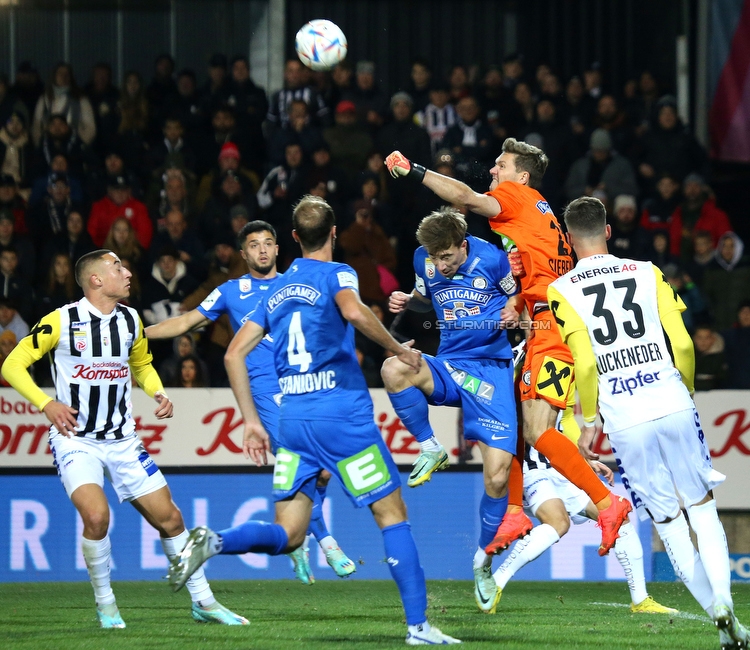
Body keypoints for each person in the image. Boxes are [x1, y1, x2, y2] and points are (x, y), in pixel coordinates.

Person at [167, 196, 459, 645]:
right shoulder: (338, 273)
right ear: (335, 233)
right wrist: (399, 349)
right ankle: (419, 627)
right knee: (392, 516)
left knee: (288, 533)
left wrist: (249, 421)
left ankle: (216, 542)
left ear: (294, 239)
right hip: (342, 415)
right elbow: (353, 310)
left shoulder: (276, 291)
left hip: (292, 422)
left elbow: (232, 353)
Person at [385, 138, 633, 558]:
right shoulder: (539, 212)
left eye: (501, 166)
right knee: (518, 420)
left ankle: (609, 504)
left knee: (538, 431)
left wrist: (415, 171)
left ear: (521, 176)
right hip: (545, 322)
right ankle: (515, 510)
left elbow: (464, 197)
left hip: (554, 325)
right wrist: (520, 295)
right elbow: (543, 271)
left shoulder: (515, 197)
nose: (493, 172)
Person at [550, 196, 750, 649]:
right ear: (608, 231)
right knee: (702, 507)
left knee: (667, 522)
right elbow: (682, 343)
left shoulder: (560, 289)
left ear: (569, 239)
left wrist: (591, 420)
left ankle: (723, 625)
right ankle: (725, 602)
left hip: (625, 418)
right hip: (669, 399)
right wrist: (684, 389)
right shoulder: (647, 270)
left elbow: (584, 363)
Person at [0, 249, 247, 628]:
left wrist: (158, 391)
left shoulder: (130, 319)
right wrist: (46, 404)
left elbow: (142, 364)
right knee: (97, 517)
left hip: (123, 440)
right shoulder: (62, 321)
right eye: (117, 267)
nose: (127, 272)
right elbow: (12, 364)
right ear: (96, 279)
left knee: (172, 519)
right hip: (76, 439)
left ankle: (204, 602)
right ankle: (106, 604)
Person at [144, 220, 354, 583]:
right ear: (243, 254)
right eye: (254, 244)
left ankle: (298, 540)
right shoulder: (229, 290)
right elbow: (184, 323)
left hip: (305, 385)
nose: (261, 250)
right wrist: (132, 335)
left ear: (277, 249)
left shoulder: (296, 283)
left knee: (320, 469)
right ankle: (327, 541)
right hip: (266, 394)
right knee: (305, 462)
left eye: (268, 243)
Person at [381, 208, 520, 611]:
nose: (440, 265)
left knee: (496, 480)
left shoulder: (492, 258)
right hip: (451, 366)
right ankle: (429, 446)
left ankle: (482, 562)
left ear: (463, 244)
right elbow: (426, 299)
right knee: (394, 367)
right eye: (434, 257)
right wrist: (408, 299)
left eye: (447, 257)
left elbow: (516, 295)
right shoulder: (424, 259)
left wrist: (513, 309)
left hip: (492, 374)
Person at [488, 439, 675, 615]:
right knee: (558, 522)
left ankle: (640, 600)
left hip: (561, 469)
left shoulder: (562, 402)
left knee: (619, 518)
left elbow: (564, 424)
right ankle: (494, 583)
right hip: (530, 470)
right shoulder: (524, 403)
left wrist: (583, 460)